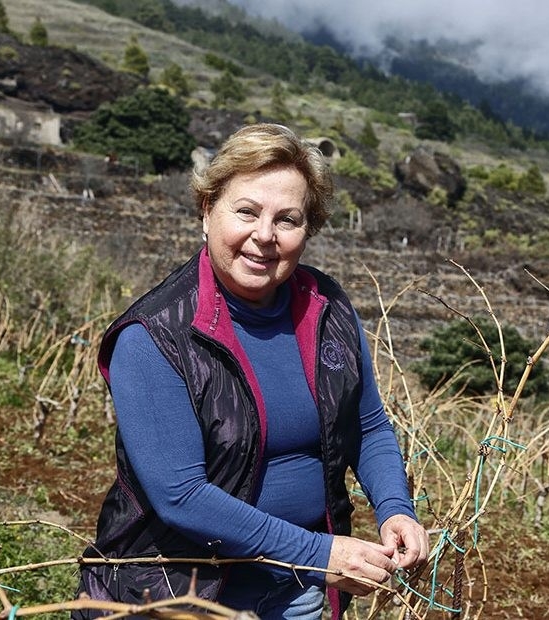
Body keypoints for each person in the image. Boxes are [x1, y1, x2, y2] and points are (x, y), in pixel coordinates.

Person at [75, 123, 429, 619]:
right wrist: (320, 555)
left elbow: (367, 425)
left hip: (298, 592)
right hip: (178, 595)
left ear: (309, 229)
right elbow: (181, 496)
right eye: (246, 211)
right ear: (207, 210)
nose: (265, 236)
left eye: (288, 219)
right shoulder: (155, 336)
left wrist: (395, 507)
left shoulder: (326, 308)